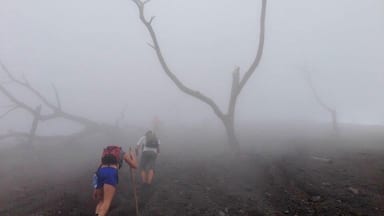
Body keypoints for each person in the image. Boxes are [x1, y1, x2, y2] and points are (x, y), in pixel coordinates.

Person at [93, 145, 137, 216]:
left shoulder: (106, 153)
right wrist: (133, 155)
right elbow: (134, 166)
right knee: (106, 203)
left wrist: (95, 187)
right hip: (110, 173)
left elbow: (99, 167)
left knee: (101, 201)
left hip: (100, 172)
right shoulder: (121, 152)